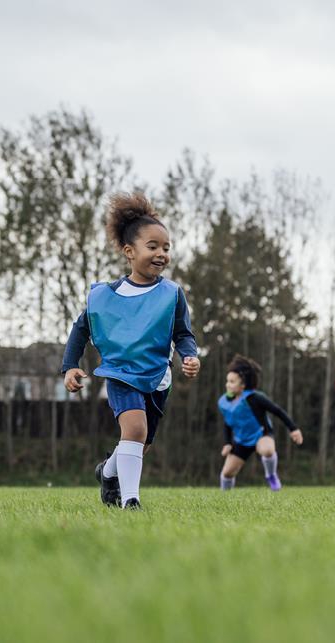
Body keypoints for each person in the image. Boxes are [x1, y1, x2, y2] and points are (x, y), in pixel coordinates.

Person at [62, 192, 201, 510]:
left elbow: (182, 333)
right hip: (120, 372)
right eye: (152, 246)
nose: (161, 254)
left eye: (166, 248)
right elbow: (81, 329)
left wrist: (189, 355)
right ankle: (131, 500)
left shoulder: (171, 294)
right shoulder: (105, 296)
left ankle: (108, 473)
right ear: (129, 251)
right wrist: (70, 365)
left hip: (157, 376)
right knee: (135, 430)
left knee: (142, 442)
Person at [217, 355, 303, 491]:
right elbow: (228, 423)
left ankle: (271, 475)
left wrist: (293, 429)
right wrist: (227, 443)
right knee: (227, 473)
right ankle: (224, 499)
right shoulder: (224, 402)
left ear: (243, 385)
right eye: (227, 381)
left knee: (267, 450)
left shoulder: (255, 398)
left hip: (261, 434)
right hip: (241, 441)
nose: (228, 384)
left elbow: (277, 411)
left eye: (232, 382)